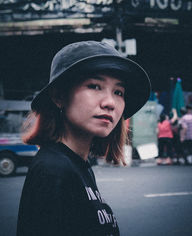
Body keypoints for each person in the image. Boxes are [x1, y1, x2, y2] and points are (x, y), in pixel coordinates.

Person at [17, 40, 151, 236]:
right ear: (59, 96)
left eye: (118, 92)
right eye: (95, 86)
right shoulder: (53, 170)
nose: (110, 103)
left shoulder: (77, 164)